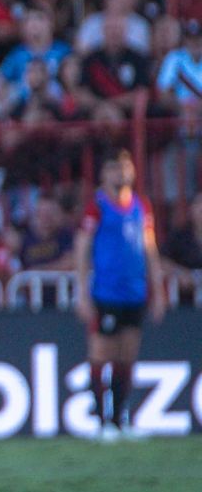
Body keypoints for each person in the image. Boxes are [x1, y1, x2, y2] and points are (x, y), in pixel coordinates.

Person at [74, 151, 165, 441]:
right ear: (104, 175)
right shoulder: (97, 208)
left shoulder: (141, 206)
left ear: (132, 172)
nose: (120, 174)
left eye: (124, 168)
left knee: (127, 356)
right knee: (101, 354)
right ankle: (102, 423)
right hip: (106, 293)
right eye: (113, 168)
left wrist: (158, 289)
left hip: (135, 293)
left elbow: (149, 250)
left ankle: (121, 420)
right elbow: (82, 248)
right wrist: (82, 293)